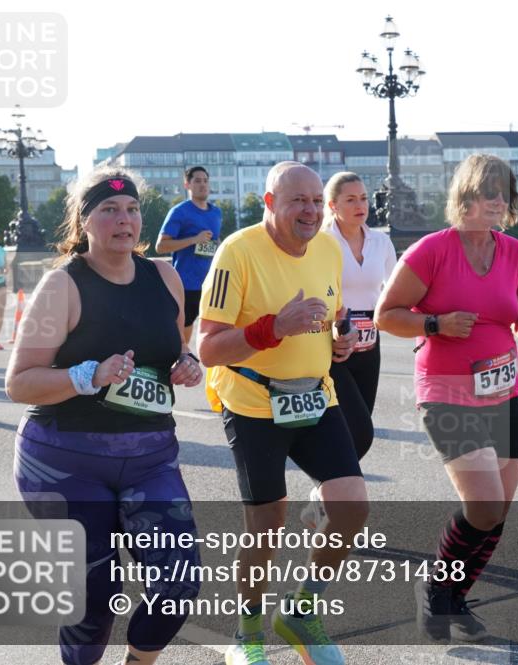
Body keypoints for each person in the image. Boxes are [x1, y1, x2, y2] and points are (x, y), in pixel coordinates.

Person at [5, 167, 203, 665]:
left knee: (178, 581)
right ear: (85, 221)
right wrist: (88, 376)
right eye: (109, 210)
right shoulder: (63, 285)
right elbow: (19, 381)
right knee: (96, 594)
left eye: (133, 209)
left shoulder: (164, 276)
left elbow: (175, 347)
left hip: (150, 455)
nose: (124, 219)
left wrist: (188, 364)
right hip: (64, 457)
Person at [374, 153, 518, 643]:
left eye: (504, 194)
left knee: (499, 510)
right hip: (447, 389)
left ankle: (454, 597)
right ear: (466, 196)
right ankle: (434, 588)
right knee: (484, 506)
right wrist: (437, 323)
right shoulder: (432, 250)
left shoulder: (515, 252)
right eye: (488, 192)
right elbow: (386, 315)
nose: (498, 201)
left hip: (504, 389)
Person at [199, 161, 365, 665]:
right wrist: (273, 327)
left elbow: (333, 313)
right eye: (298, 201)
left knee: (351, 506)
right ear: (270, 203)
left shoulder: (329, 248)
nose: (310, 211)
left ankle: (301, 611)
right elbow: (207, 349)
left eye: (316, 201)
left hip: (316, 394)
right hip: (252, 402)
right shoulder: (238, 253)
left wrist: (341, 339)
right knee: (266, 525)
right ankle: (248, 632)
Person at [295, 173, 397, 528]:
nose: (361, 206)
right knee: (356, 431)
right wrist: (336, 331)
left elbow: (392, 294)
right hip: (332, 344)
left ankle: (323, 495)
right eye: (351, 200)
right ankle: (336, 501)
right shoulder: (322, 243)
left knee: (360, 431)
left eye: (364, 198)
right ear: (333, 207)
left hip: (369, 344)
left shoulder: (381, 243)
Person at [155, 166, 222, 342]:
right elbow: (161, 246)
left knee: (217, 332)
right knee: (183, 338)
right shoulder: (180, 211)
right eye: (197, 181)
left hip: (213, 284)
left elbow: (214, 241)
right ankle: (181, 364)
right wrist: (194, 239)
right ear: (187, 184)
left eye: (205, 181)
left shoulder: (216, 212)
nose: (203, 185)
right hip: (186, 285)